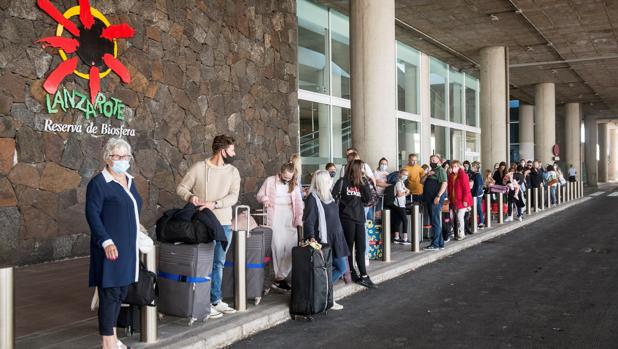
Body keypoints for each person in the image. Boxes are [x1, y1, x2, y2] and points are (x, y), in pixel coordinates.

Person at [85, 138, 141, 349]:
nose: (122, 160)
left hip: (127, 248)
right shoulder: (99, 183)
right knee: (109, 292)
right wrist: (106, 241)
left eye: (125, 156)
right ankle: (107, 342)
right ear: (108, 158)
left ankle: (113, 336)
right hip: (109, 248)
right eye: (117, 156)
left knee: (120, 291)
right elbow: (92, 215)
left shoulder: (129, 180)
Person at [176, 134, 241, 319]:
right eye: (232, 149)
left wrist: (214, 204)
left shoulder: (233, 172)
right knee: (202, 264)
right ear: (223, 151)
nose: (234, 152)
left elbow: (233, 197)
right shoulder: (198, 168)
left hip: (224, 223)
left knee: (218, 263)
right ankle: (202, 302)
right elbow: (181, 188)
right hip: (202, 224)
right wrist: (190, 197)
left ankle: (215, 299)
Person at [303, 170, 351, 310]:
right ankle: (324, 295)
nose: (331, 181)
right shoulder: (313, 198)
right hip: (324, 240)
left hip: (336, 237)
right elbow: (309, 221)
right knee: (338, 268)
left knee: (336, 269)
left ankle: (323, 294)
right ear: (323, 182)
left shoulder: (328, 195)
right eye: (329, 180)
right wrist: (311, 238)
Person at [256, 163, 304, 292]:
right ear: (280, 172)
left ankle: (280, 276)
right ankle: (279, 279)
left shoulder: (294, 184)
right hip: (275, 215)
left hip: (290, 215)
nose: (287, 179)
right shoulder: (270, 181)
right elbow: (259, 195)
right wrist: (265, 199)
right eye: (285, 177)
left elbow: (299, 202)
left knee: (291, 247)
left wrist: (299, 218)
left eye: (290, 177)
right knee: (277, 247)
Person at [333, 159, 376, 288]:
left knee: (361, 248)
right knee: (348, 248)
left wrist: (362, 183)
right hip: (346, 219)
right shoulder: (342, 182)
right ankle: (351, 272)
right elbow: (333, 197)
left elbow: (368, 199)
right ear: (356, 168)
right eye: (361, 168)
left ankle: (363, 275)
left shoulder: (361, 182)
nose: (363, 170)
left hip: (359, 218)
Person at [422, 155, 448, 250]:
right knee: (434, 221)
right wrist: (427, 174)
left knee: (435, 221)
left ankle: (435, 244)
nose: (431, 161)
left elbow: (444, 183)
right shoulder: (431, 171)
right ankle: (440, 243)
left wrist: (438, 196)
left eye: (433, 160)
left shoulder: (440, 170)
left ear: (439, 161)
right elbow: (421, 181)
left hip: (435, 199)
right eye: (430, 160)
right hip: (429, 199)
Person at [448, 161, 473, 240]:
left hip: (462, 200)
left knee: (459, 216)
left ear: (459, 167)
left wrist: (465, 200)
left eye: (455, 166)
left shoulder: (463, 175)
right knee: (452, 216)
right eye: (452, 166)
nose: (453, 168)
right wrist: (449, 197)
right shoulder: (451, 176)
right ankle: (456, 232)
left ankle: (461, 233)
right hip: (454, 199)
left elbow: (466, 189)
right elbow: (449, 188)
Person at [391, 169, 410, 245]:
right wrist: (406, 192)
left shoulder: (402, 183)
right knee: (405, 220)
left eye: (406, 175)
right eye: (404, 174)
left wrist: (406, 192)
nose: (405, 176)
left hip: (398, 204)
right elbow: (399, 194)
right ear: (400, 174)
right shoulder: (399, 183)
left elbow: (406, 191)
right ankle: (405, 238)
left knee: (398, 221)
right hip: (399, 205)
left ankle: (396, 237)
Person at [470, 161, 485, 228]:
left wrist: (475, 195)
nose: (471, 167)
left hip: (477, 195)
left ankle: (480, 222)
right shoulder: (475, 174)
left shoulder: (477, 175)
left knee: (477, 208)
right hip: (477, 194)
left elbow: (478, 186)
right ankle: (479, 222)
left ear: (476, 167)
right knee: (478, 208)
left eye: (472, 166)